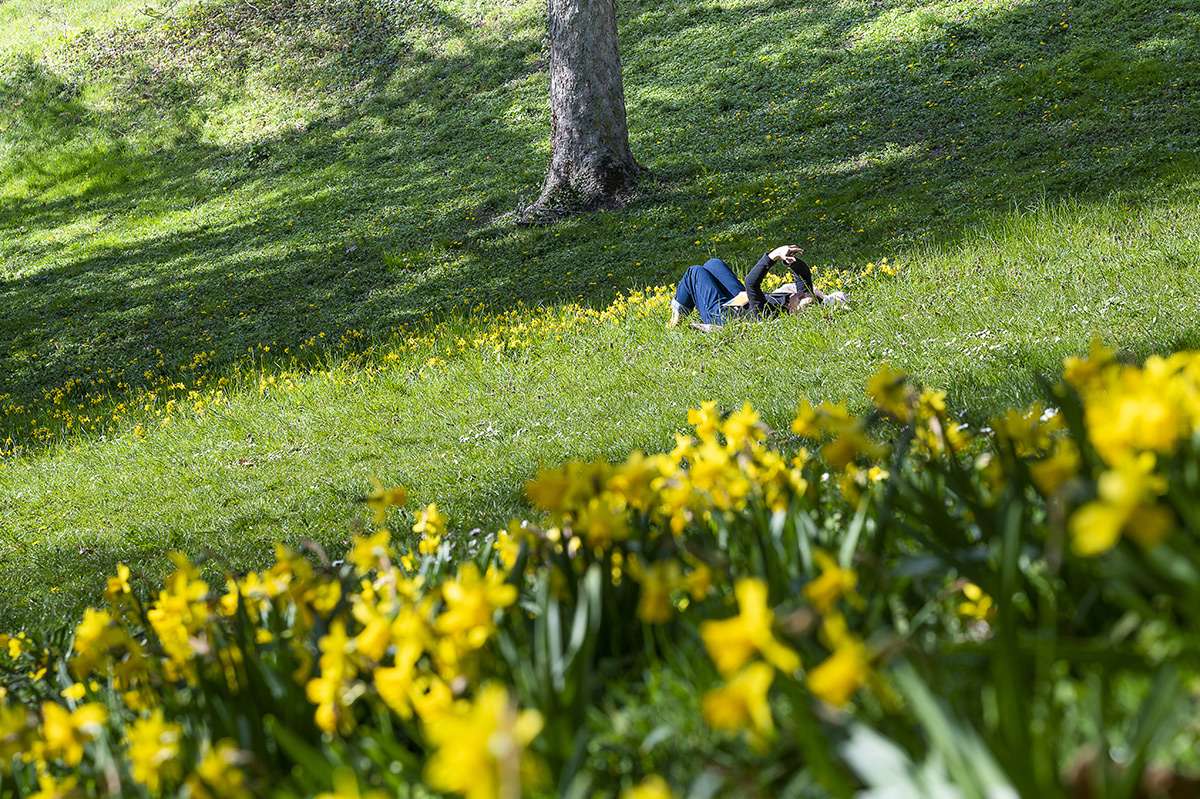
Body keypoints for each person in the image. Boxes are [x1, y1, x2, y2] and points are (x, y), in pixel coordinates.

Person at [667, 245, 843, 330]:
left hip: (721, 314)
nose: (801, 295)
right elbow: (803, 276)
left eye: (801, 299)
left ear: (792, 309)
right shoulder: (795, 299)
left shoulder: (767, 312)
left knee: (695, 272)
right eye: (805, 296)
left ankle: (677, 317)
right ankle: (682, 306)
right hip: (738, 299)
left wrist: (773, 255)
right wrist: (790, 260)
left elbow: (751, 282)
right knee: (714, 263)